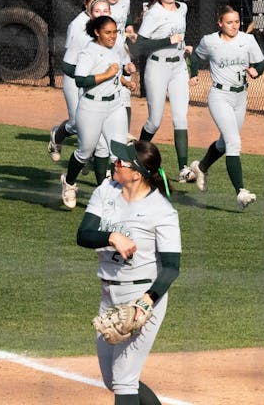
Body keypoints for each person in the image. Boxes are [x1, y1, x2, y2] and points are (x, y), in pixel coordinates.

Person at [77, 139, 181, 405]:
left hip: (142, 296)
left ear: (137, 173)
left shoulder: (162, 212)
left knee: (124, 379)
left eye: (121, 161)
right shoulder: (106, 190)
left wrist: (146, 301)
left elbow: (171, 267)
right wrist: (112, 236)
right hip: (109, 295)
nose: (115, 162)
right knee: (113, 379)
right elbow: (84, 235)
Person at [187, 5, 264, 210]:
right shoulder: (210, 41)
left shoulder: (247, 40)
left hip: (240, 96)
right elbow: (196, 56)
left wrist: (256, 71)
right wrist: (193, 73)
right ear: (220, 23)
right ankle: (241, 192)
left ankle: (201, 166)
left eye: (237, 22)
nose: (234, 26)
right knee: (233, 142)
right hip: (219, 96)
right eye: (229, 22)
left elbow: (261, 64)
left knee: (223, 144)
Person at [60, 15, 136, 209]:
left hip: (115, 106)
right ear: (97, 32)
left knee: (118, 153)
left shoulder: (115, 49)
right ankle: (68, 184)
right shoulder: (89, 52)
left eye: (115, 32)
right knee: (85, 152)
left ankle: (112, 195)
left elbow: (116, 75)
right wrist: (107, 75)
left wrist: (125, 82)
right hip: (91, 107)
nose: (112, 36)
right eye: (107, 33)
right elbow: (80, 80)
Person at [132, 0, 196, 184]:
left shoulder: (182, 8)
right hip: (157, 66)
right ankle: (135, 156)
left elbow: (180, 35)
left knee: (180, 117)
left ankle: (183, 169)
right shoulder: (153, 14)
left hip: (178, 67)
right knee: (155, 120)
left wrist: (183, 47)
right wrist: (167, 41)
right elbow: (139, 45)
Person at [49, 0, 107, 163]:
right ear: (86, 4)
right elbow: (70, 58)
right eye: (93, 0)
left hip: (95, 80)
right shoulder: (78, 25)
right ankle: (56, 138)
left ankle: (89, 158)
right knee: (76, 123)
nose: (97, 2)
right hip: (75, 78)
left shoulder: (105, 22)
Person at [103, 0, 136, 129]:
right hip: (105, 54)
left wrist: (130, 31)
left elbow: (127, 19)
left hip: (122, 52)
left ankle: (124, 135)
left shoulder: (125, 1)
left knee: (125, 94)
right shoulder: (99, 6)